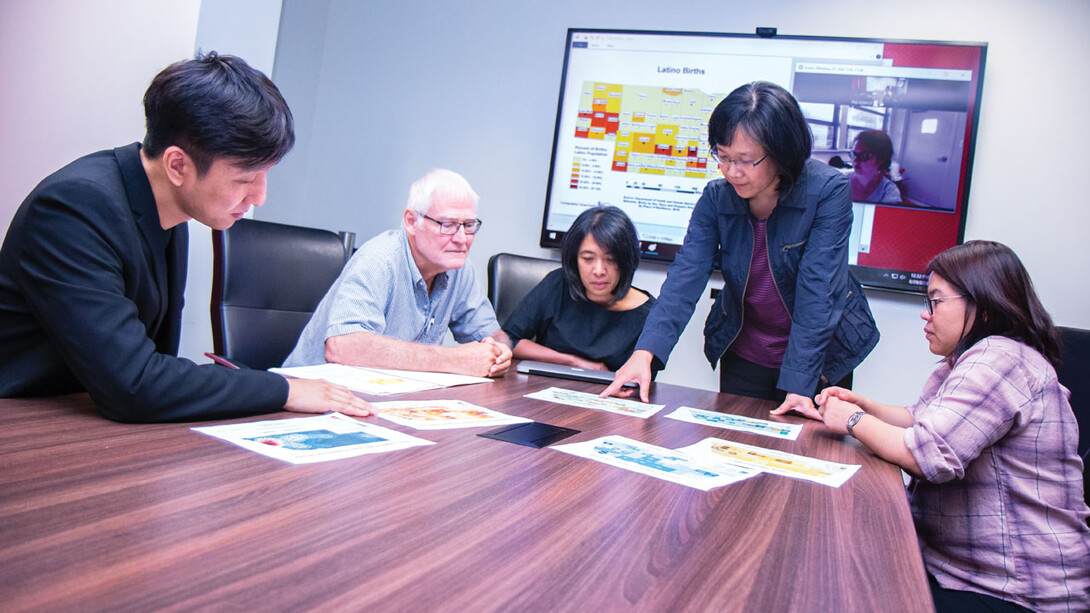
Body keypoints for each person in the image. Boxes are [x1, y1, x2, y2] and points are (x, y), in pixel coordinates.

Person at [0, 53, 371, 422]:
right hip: (26, 425)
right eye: (245, 179)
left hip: (89, 419)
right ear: (178, 165)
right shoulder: (74, 208)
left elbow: (154, 366)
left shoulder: (168, 209)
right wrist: (284, 389)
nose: (259, 197)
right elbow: (135, 383)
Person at [816, 241, 1090, 613]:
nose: (926, 315)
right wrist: (860, 405)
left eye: (936, 301)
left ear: (984, 304)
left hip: (1013, 592)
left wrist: (851, 421)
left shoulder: (999, 359)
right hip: (968, 573)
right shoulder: (970, 359)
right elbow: (920, 419)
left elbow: (927, 453)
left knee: (842, 587)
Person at [604, 81, 879, 416]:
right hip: (746, 352)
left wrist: (799, 383)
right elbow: (684, 278)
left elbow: (818, 291)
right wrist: (645, 353)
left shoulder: (827, 191)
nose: (732, 172)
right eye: (723, 156)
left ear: (781, 152)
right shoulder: (716, 198)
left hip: (819, 359)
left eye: (746, 160)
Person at [283, 169, 512, 377]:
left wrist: (499, 351)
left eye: (469, 225)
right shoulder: (380, 259)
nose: (462, 239)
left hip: (389, 397)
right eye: (448, 224)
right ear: (412, 221)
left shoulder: (459, 269)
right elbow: (343, 347)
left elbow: (493, 335)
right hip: (311, 398)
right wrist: (455, 359)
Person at [503, 206, 655, 372]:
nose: (599, 270)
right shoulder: (558, 284)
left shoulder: (649, 315)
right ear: (574, 259)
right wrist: (573, 362)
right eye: (588, 259)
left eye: (610, 260)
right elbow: (509, 340)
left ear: (626, 261)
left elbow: (641, 381)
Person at [849, 130, 902, 204]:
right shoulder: (838, 180)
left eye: (864, 156)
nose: (855, 161)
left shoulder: (889, 191)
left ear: (881, 159)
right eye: (854, 154)